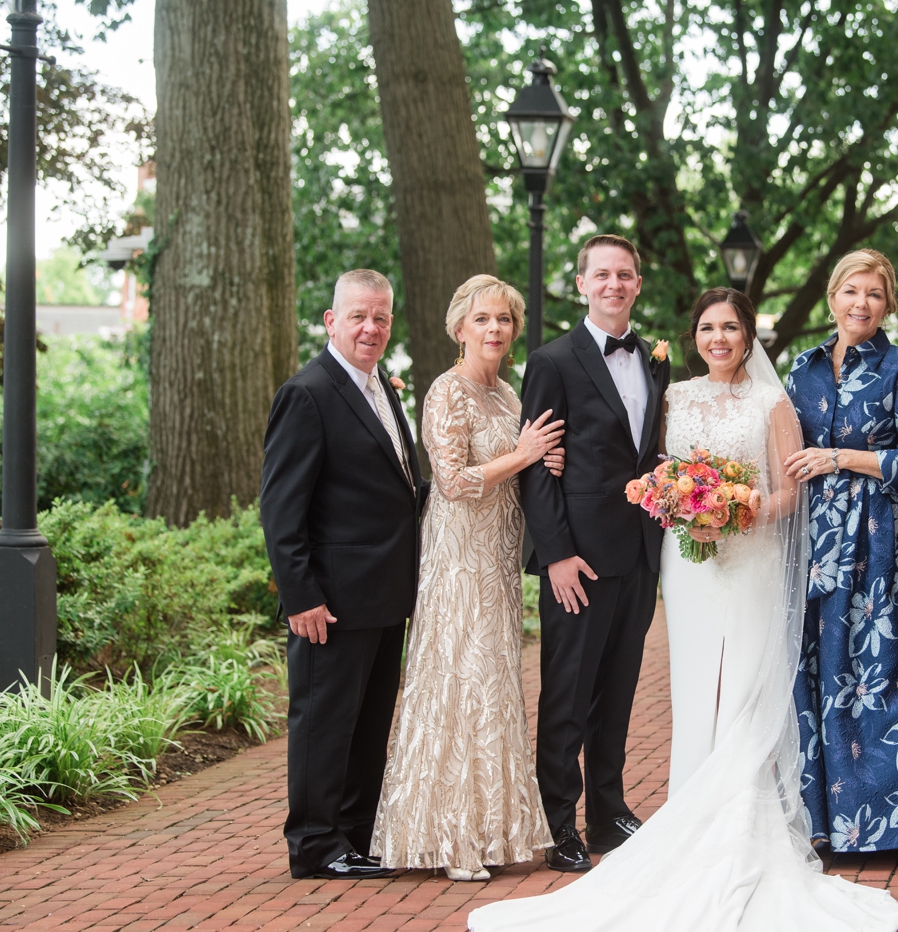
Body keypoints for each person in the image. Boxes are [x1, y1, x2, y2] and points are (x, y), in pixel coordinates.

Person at [467, 289, 898, 932]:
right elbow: (643, 462)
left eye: (731, 326)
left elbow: (792, 490)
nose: (720, 337)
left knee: (745, 691)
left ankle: (739, 828)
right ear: (694, 334)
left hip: (751, 556)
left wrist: (743, 510)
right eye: (707, 326)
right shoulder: (672, 394)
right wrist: (647, 490)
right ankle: (688, 813)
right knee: (697, 687)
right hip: (688, 565)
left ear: (747, 333)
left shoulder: (772, 403)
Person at [370, 275, 565, 882]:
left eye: (504, 320)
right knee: (458, 680)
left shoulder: (510, 397)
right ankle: (449, 838)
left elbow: (523, 466)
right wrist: (525, 455)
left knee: (494, 684)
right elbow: (452, 480)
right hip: (457, 558)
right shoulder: (444, 392)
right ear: (460, 329)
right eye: (482, 319)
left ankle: (489, 831)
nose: (495, 330)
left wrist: (546, 459)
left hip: (500, 558)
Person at [783, 249, 898, 854]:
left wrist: (841, 458)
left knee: (894, 674)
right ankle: (824, 824)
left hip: (884, 543)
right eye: (850, 291)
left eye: (873, 293)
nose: (860, 303)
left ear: (887, 304)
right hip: (815, 541)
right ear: (832, 298)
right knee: (818, 670)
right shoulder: (803, 369)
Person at [261, 269, 425, 880]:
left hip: (384, 595)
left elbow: (399, 488)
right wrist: (300, 593)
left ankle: (356, 836)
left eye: (381, 317)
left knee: (367, 724)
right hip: (328, 599)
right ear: (331, 320)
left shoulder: (383, 387)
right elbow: (282, 507)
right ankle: (314, 843)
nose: (371, 327)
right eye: (358, 316)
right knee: (323, 724)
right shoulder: (307, 393)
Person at [516, 234, 671, 872]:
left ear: (637, 284)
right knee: (567, 696)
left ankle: (608, 812)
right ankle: (559, 825)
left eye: (625, 275)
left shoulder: (657, 360)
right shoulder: (552, 361)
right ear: (581, 283)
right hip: (577, 559)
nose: (614, 284)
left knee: (618, 690)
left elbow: (652, 452)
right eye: (601, 274)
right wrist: (555, 554)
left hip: (638, 554)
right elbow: (535, 468)